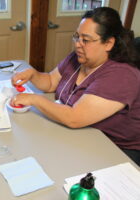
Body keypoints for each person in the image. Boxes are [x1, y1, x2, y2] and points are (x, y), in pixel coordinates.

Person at [11, 7, 140, 166]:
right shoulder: (79, 58)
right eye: (77, 37)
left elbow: (74, 118)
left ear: (108, 43)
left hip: (116, 149)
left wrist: (34, 99)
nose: (78, 45)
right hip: (83, 135)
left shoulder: (121, 76)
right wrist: (33, 74)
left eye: (86, 40)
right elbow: (51, 81)